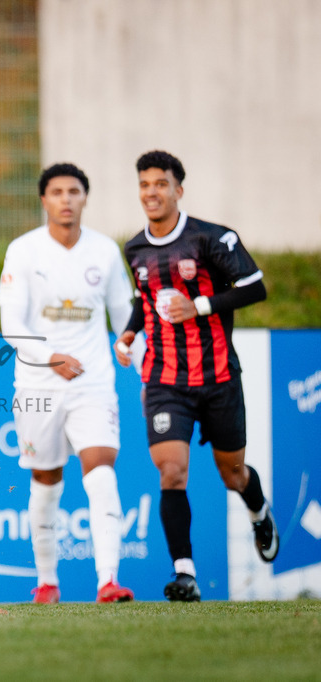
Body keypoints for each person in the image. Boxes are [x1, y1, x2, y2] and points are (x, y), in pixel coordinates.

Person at [116, 150, 277, 602]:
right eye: (145, 184)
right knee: (171, 471)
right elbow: (143, 299)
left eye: (160, 184)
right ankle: (184, 573)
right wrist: (128, 335)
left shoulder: (212, 238)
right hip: (165, 378)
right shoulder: (135, 248)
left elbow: (255, 287)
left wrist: (200, 306)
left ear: (178, 190)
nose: (152, 192)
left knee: (233, 474)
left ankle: (258, 510)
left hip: (219, 375)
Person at [0, 163, 136, 604]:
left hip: (93, 383)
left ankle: (108, 581)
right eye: (57, 192)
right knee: (45, 478)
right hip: (37, 386)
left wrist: (131, 344)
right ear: (44, 200)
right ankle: (47, 582)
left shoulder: (105, 251)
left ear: (84, 198)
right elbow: (10, 324)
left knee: (101, 472)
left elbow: (126, 313)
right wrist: (49, 357)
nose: (66, 199)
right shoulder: (24, 251)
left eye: (74, 191)